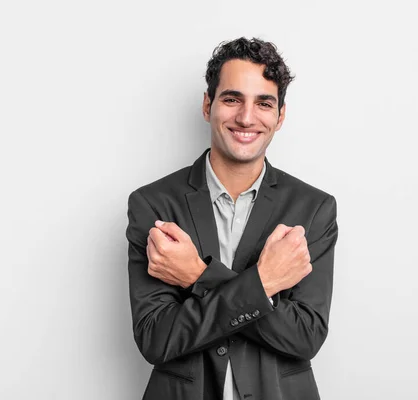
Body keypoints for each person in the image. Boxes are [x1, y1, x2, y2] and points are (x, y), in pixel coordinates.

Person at [126, 37, 338, 400]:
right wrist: (265, 282)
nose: (246, 117)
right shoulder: (154, 205)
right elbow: (157, 338)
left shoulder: (313, 209)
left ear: (280, 116)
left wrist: (196, 276)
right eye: (232, 98)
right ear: (208, 105)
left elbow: (303, 337)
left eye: (264, 103)